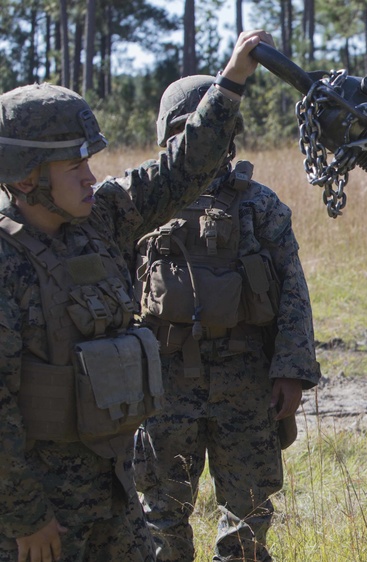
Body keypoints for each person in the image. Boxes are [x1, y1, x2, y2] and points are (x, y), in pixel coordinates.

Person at [0, 30, 271, 562]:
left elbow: (182, 170)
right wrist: (25, 517)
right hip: (42, 515)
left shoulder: (101, 218)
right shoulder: (6, 263)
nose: (90, 176)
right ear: (29, 179)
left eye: (89, 162)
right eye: (74, 165)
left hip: (115, 494)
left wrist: (231, 82)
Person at [132, 74, 322, 562]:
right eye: (185, 131)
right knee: (161, 515)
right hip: (163, 383)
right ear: (166, 137)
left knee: (249, 515)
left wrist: (290, 373)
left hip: (246, 379)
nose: (199, 141)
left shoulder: (260, 206)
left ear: (230, 135)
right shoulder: (138, 206)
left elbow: (293, 295)